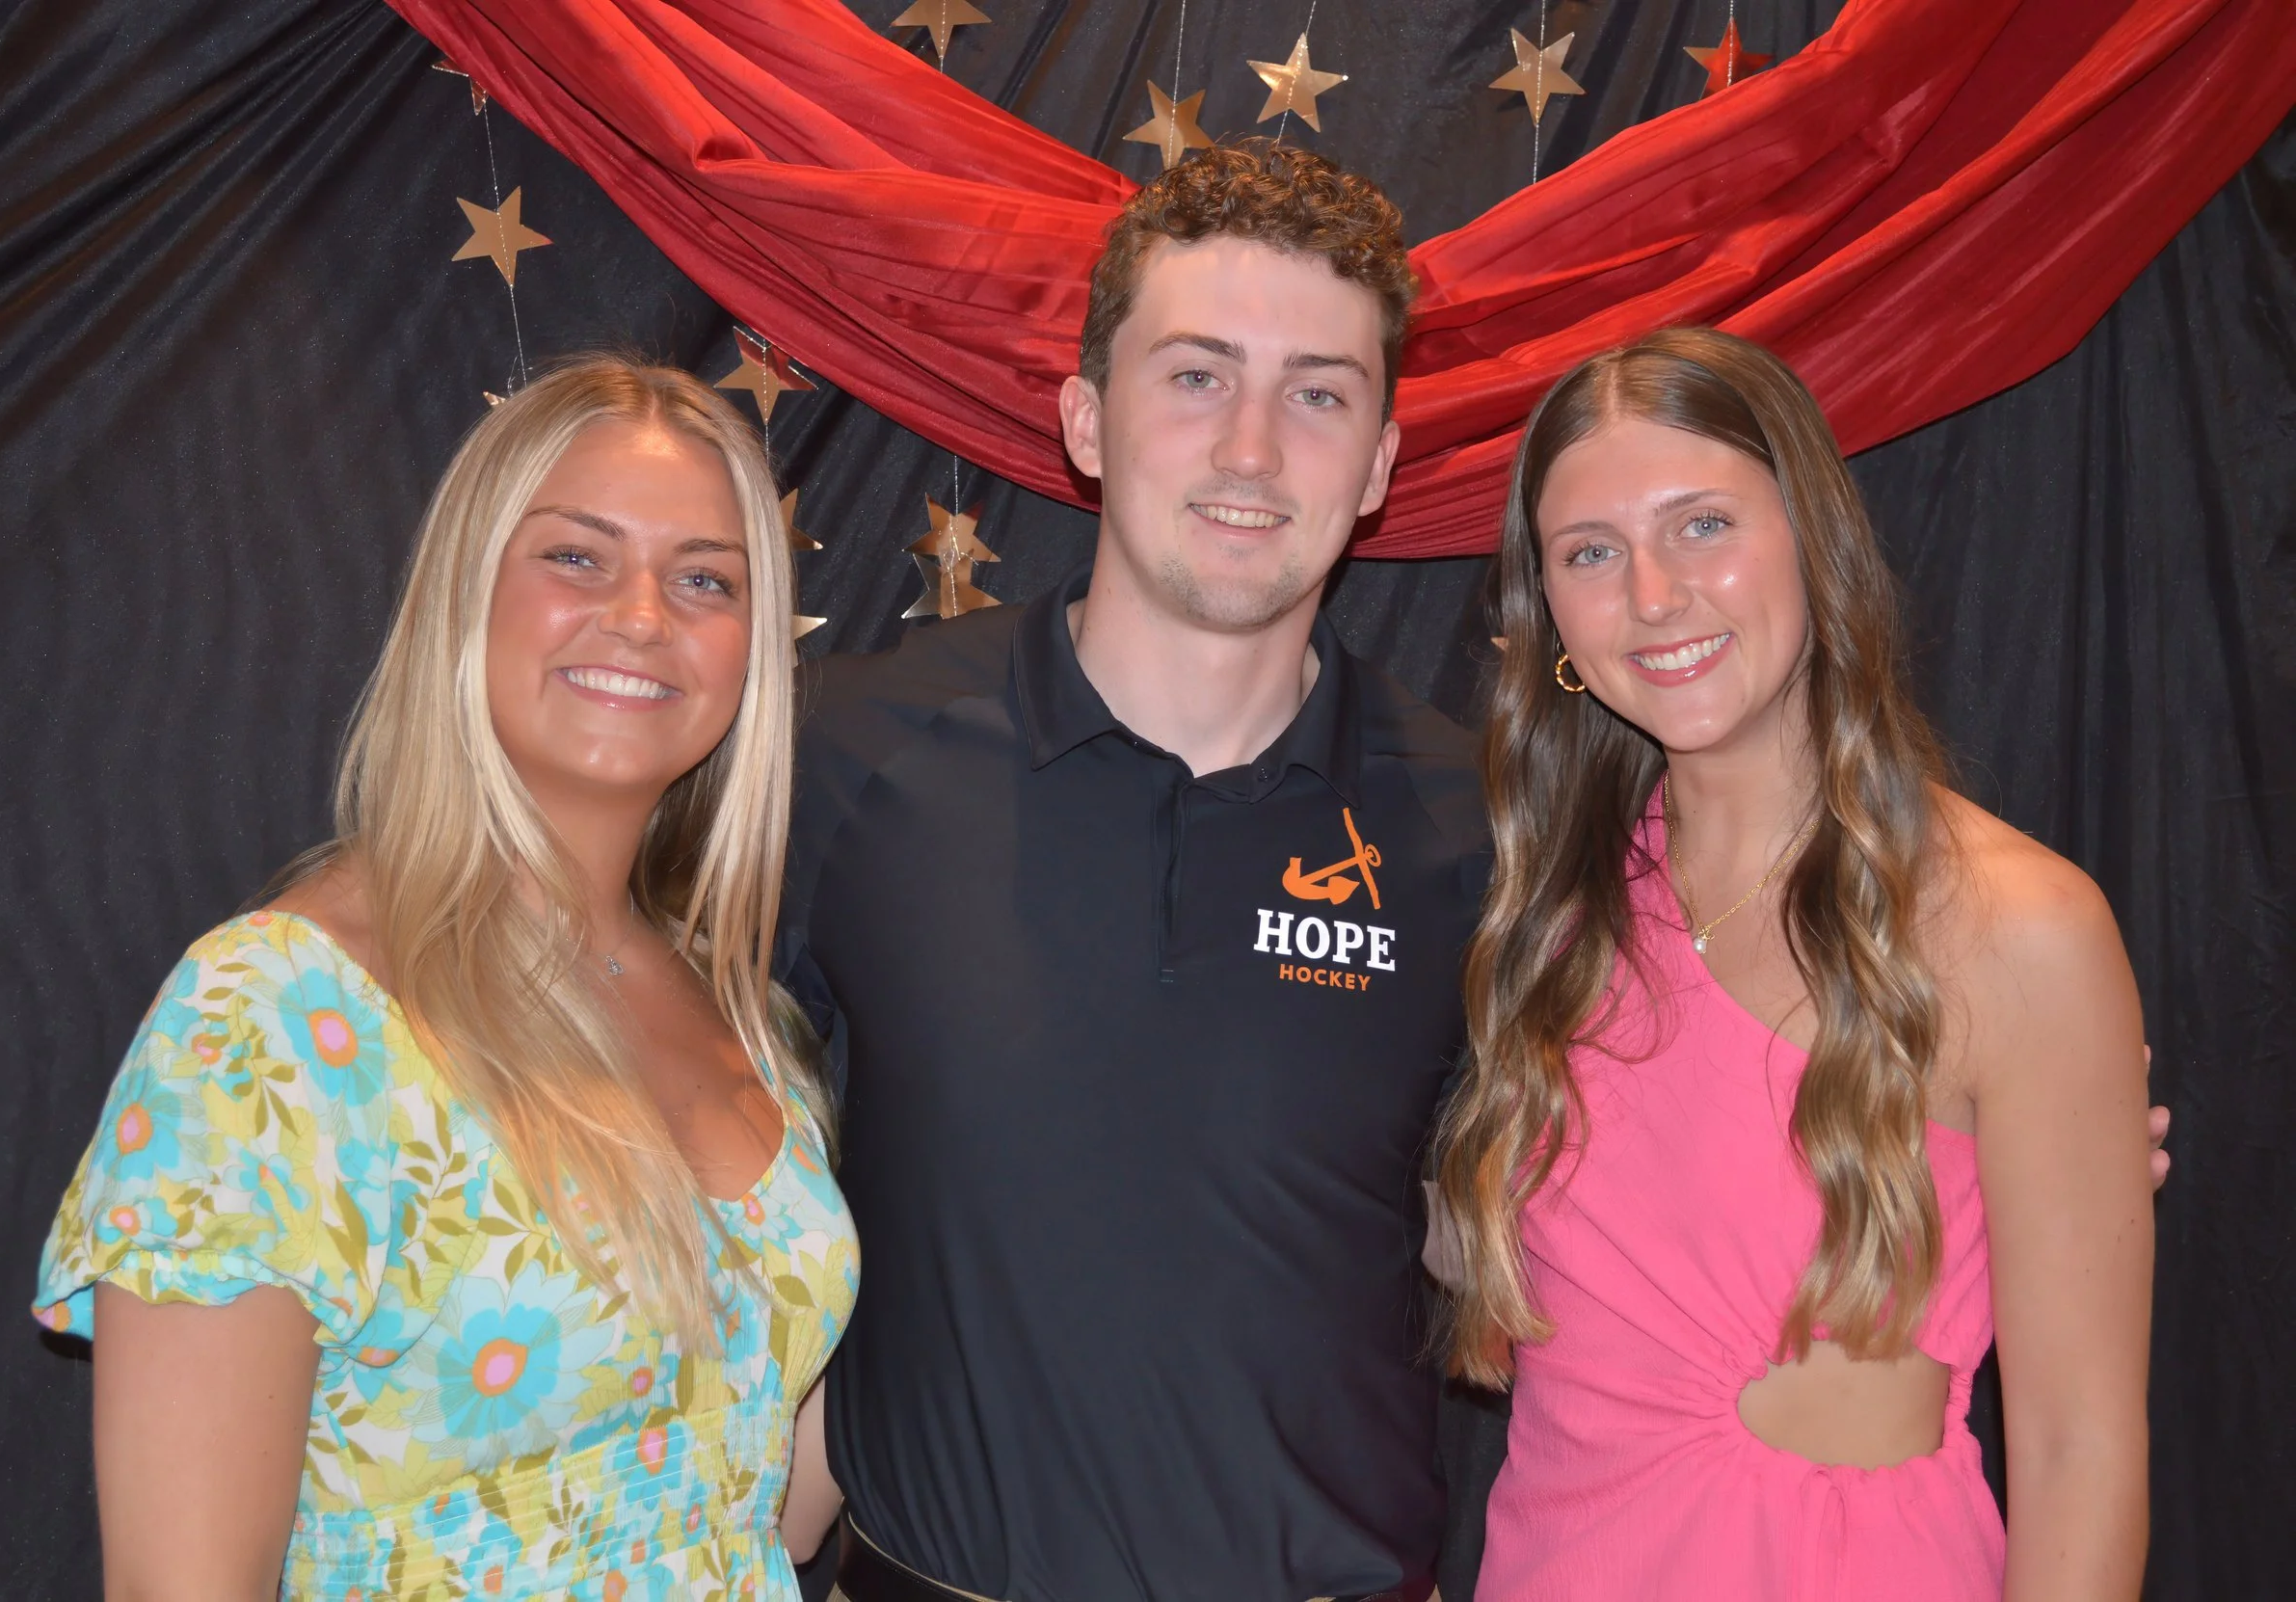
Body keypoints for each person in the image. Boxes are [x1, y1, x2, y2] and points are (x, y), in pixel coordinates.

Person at [35, 359, 858, 1599]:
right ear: (464, 591)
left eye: (704, 579)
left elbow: (769, 1511)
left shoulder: (754, 1026)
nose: (642, 613)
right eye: (577, 556)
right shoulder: (270, 1022)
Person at [783, 140, 1481, 1602]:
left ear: (1381, 466)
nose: (1251, 448)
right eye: (1195, 375)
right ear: (1087, 421)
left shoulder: (1482, 833)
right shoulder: (849, 757)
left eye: (1317, 395)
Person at [1435, 329, 2154, 1599]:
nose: (1653, 593)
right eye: (1590, 553)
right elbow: (1501, 1271)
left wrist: (2071, 1158)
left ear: (1811, 539)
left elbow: (2078, 1445)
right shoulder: (1547, 918)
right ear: (1548, 612)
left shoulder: (2018, 927)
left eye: (1702, 524)